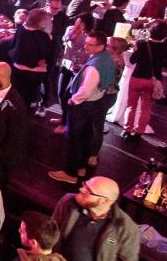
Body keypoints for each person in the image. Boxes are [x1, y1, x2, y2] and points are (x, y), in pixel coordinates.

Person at [49, 31, 116, 185]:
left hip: (83, 105)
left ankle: (70, 173)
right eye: (86, 42)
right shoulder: (107, 58)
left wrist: (73, 100)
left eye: (90, 44)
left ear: (101, 46)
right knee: (85, 136)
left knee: (74, 139)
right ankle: (81, 168)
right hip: (95, 103)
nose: (85, 46)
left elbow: (85, 91)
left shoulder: (94, 67)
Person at [124, 22, 167, 141]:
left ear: (150, 31)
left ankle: (127, 131)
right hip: (153, 80)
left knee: (131, 106)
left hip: (137, 77)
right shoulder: (166, 47)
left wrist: (136, 50)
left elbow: (132, 60)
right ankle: (139, 133)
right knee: (145, 109)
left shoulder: (141, 43)